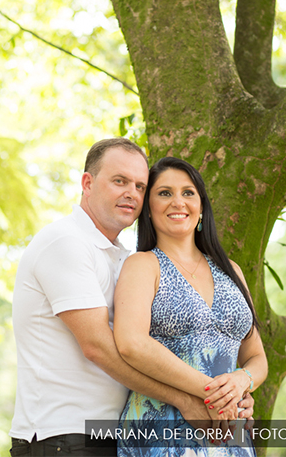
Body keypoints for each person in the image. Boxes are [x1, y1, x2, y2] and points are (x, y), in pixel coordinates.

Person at [9, 139, 254, 457]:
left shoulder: (123, 258)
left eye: (140, 186)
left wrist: (236, 390)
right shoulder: (65, 242)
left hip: (116, 435)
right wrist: (189, 398)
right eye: (119, 181)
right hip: (64, 435)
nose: (132, 194)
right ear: (88, 183)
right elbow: (99, 348)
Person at [114, 156, 267, 456]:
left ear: (201, 208)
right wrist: (215, 395)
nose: (177, 202)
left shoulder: (231, 271)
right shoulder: (143, 265)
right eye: (164, 193)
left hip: (228, 432)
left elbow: (257, 357)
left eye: (188, 192)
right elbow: (131, 343)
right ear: (148, 210)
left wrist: (241, 381)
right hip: (163, 428)